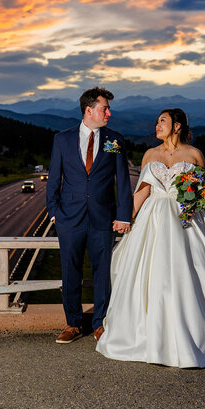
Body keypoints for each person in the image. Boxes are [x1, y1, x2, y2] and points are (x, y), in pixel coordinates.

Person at [96, 108, 205, 368]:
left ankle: (197, 338)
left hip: (185, 221)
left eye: (162, 120)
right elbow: (143, 191)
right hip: (153, 221)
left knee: (189, 274)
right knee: (152, 276)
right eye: (157, 121)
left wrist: (200, 198)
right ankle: (151, 337)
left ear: (177, 126)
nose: (156, 124)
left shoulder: (194, 154)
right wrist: (125, 218)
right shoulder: (150, 154)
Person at [46, 87, 134, 344]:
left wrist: (123, 216)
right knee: (69, 271)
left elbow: (123, 182)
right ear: (89, 110)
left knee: (102, 272)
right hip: (69, 219)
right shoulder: (62, 139)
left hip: (103, 219)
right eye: (104, 108)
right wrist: (54, 214)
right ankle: (72, 324)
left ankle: (100, 324)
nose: (109, 112)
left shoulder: (115, 140)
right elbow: (54, 180)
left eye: (108, 108)